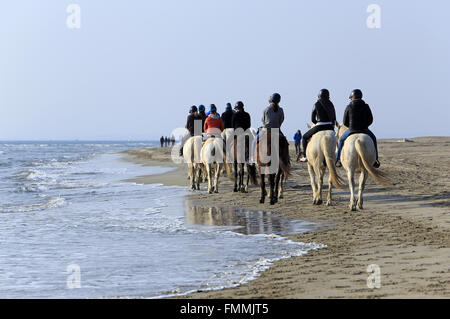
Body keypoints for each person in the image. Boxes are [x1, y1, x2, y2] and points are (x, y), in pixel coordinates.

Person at [335, 89, 380, 168]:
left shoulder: (348, 106)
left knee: (341, 140)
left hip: (351, 130)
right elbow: (370, 119)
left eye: (351, 97)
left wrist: (351, 127)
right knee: (373, 139)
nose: (350, 99)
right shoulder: (366, 106)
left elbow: (345, 122)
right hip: (364, 129)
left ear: (353, 97)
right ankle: (376, 160)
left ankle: (338, 159)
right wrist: (365, 126)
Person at [298, 89, 336, 162]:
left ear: (319, 96)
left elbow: (312, 119)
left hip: (319, 126)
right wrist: (332, 126)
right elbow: (334, 118)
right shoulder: (331, 104)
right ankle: (338, 156)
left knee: (305, 137)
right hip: (330, 127)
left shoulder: (316, 104)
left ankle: (305, 156)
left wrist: (317, 123)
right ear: (328, 96)